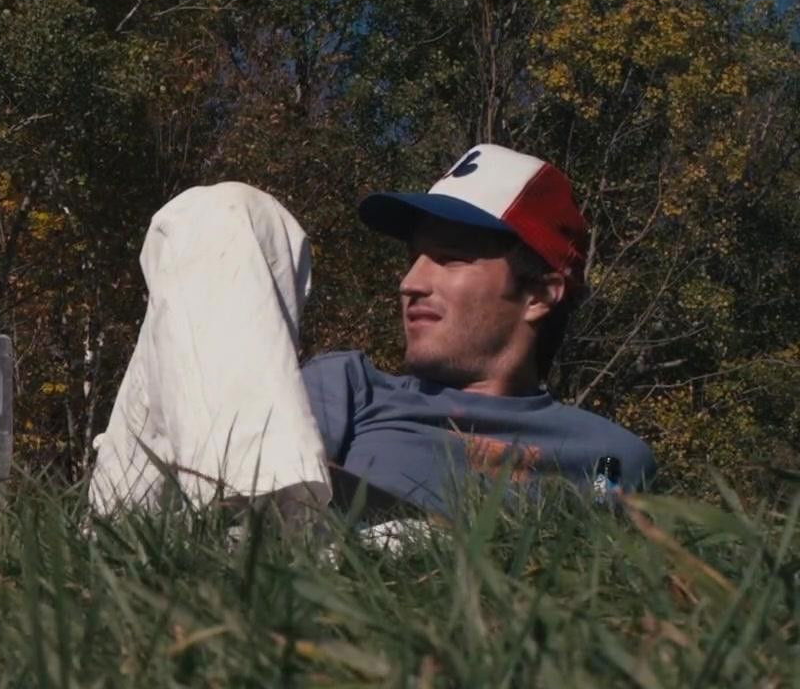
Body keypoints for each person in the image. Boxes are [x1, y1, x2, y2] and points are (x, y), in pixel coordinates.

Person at [87, 144, 655, 519]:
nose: (411, 283)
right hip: (184, 522)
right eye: (413, 259)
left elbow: (606, 568)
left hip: (379, 590)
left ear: (540, 295)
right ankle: (254, 531)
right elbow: (234, 450)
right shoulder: (351, 387)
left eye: (450, 259)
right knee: (224, 212)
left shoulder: (608, 457)